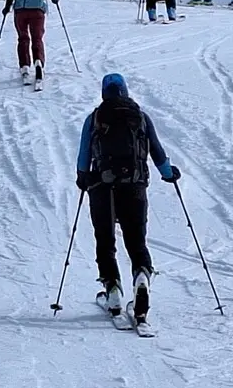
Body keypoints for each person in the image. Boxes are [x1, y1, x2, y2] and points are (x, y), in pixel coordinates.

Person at [76, 73, 181, 320]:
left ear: (104, 93)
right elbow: (156, 150)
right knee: (136, 239)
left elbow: (83, 154)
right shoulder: (141, 118)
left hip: (101, 186)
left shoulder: (94, 118)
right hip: (135, 185)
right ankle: (142, 276)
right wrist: (168, 173)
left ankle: (112, 289)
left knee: (105, 239)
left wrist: (83, 178)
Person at [3, 0, 59, 85]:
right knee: (37, 38)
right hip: (38, 11)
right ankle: (38, 63)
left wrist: (6, 8)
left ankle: (25, 67)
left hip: (21, 11)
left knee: (23, 38)